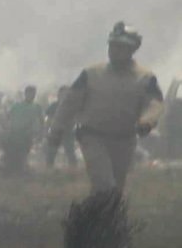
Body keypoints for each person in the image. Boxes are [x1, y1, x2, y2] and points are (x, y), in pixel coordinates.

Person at [50, 24, 164, 197]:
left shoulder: (145, 78)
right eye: (112, 45)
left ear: (132, 49)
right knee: (104, 183)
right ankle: (97, 217)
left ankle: (104, 220)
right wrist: (57, 130)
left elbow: (154, 103)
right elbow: (69, 103)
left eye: (121, 47)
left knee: (116, 188)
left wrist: (147, 121)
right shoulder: (91, 74)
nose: (115, 51)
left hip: (125, 139)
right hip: (93, 137)